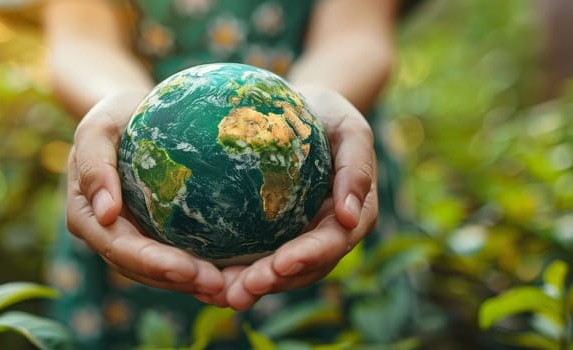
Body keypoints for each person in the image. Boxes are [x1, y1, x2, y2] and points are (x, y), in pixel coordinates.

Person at [42, 0, 405, 347]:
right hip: (132, 189)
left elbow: (357, 33)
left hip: (320, 168)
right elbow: (80, 38)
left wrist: (309, 108)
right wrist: (122, 109)